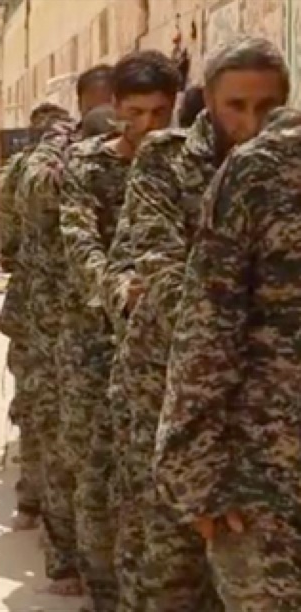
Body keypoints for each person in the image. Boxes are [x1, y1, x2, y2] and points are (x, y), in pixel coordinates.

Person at [129, 37, 286, 611]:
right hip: (174, 399)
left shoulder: (286, 173)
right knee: (170, 576)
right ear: (210, 102)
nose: (252, 122)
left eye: (267, 107)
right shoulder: (165, 160)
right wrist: (239, 307)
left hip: (268, 422)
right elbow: (159, 266)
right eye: (236, 106)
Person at [156, 104, 301, 610]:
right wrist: (198, 479)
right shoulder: (266, 169)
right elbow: (208, 331)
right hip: (272, 481)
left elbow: (205, 333)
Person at [59, 50, 182, 612]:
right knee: (97, 467)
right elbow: (80, 240)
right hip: (96, 337)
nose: (148, 126)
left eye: (160, 113)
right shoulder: (87, 167)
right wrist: (118, 289)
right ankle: (101, 590)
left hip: (162, 348)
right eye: (135, 113)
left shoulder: (188, 166)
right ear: (113, 108)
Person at [16, 62, 114, 597]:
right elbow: (35, 193)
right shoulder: (59, 155)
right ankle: (64, 558)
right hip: (61, 319)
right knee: (64, 438)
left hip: (119, 327)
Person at [0, 101, 71, 533]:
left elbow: (8, 237)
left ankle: (33, 498)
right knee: (43, 399)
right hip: (45, 299)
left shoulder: (19, 169)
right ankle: (40, 501)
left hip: (32, 295)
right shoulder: (47, 168)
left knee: (34, 395)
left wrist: (16, 262)